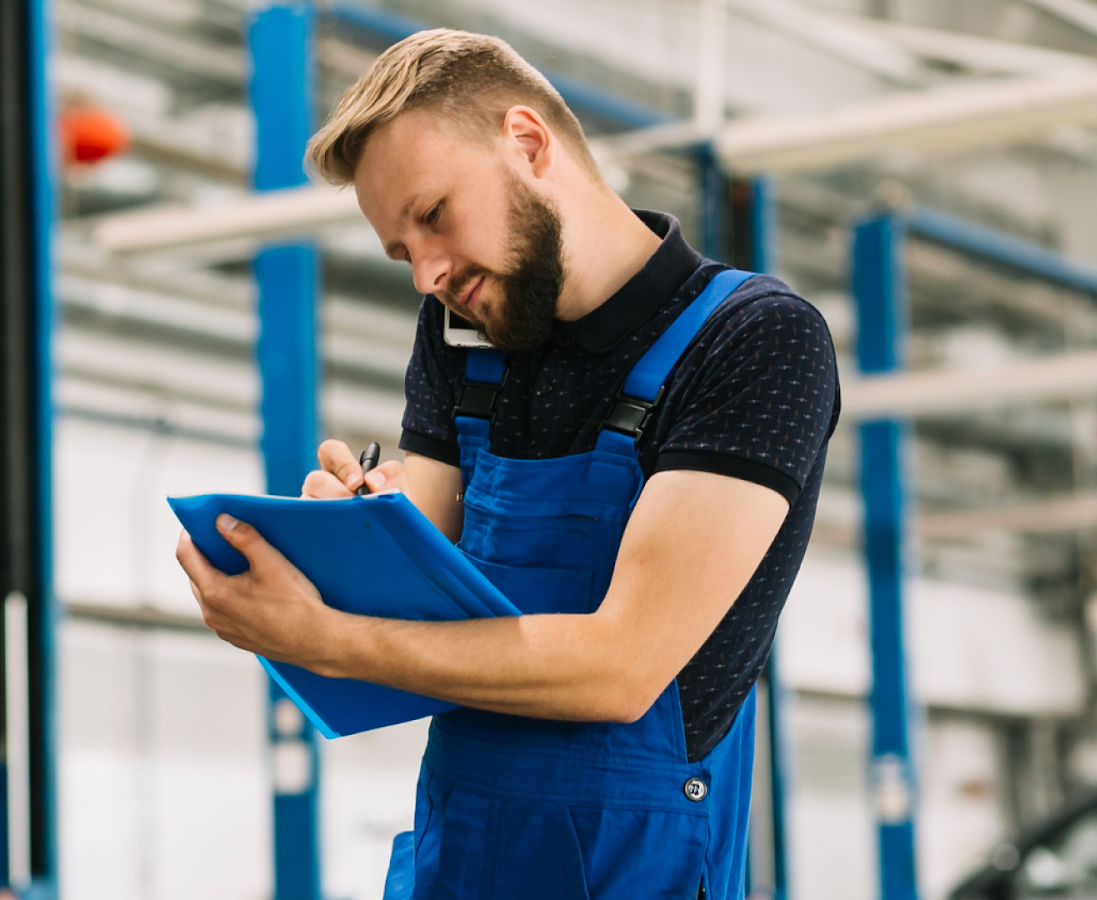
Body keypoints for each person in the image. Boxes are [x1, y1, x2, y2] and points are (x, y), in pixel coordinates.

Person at [175, 27, 840, 900]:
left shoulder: (755, 340)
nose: (429, 275)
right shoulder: (462, 333)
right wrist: (358, 533)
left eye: (434, 216)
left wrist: (331, 641)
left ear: (527, 144)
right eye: (404, 251)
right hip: (462, 850)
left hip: (632, 867)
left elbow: (622, 665)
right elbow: (434, 581)